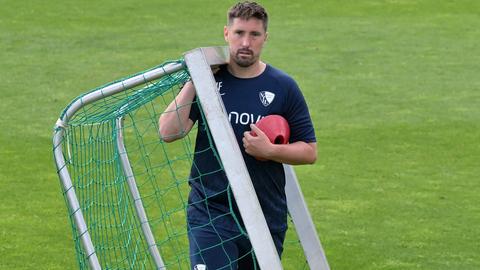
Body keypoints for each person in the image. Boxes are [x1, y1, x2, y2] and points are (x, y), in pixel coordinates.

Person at [159, 1, 317, 269]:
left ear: (265, 38)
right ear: (226, 34)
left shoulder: (283, 87)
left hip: (265, 216)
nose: (246, 42)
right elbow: (168, 132)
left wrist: (271, 151)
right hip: (211, 213)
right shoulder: (209, 82)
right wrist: (195, 81)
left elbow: (309, 151)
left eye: (254, 35)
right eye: (239, 33)